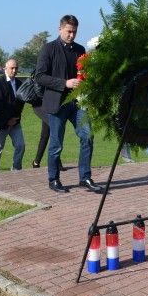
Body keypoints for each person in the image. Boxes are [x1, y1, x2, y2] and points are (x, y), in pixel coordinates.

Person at [35, 14, 102, 193]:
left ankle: (85, 177)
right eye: (69, 31)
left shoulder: (80, 50)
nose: (72, 35)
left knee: (87, 136)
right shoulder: (48, 49)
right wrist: (64, 83)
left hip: (78, 103)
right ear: (60, 29)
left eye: (74, 32)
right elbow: (39, 76)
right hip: (57, 104)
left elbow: (85, 73)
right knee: (56, 144)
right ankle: (53, 179)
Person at [0, 59, 26, 173]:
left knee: (20, 146)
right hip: (0, 123)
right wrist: (7, 119)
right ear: (5, 68)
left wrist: (15, 119)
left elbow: (20, 104)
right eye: (12, 68)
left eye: (16, 68)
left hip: (15, 123)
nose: (14, 70)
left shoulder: (19, 83)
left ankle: (16, 170)